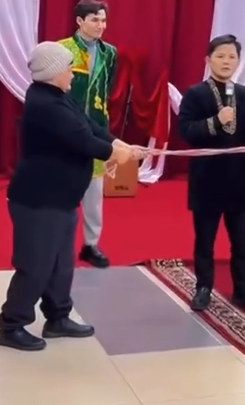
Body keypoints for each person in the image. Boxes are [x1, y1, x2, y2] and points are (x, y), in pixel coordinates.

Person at [0, 42, 146, 351]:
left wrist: (121, 144)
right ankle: (10, 325)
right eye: (69, 67)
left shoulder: (59, 97)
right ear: (54, 72)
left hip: (61, 198)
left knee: (61, 265)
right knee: (36, 265)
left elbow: (91, 127)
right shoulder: (45, 105)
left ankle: (58, 317)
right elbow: (82, 140)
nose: (73, 72)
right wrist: (116, 154)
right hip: (39, 201)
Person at [178, 34, 245, 312]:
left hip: (239, 180)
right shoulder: (195, 94)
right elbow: (186, 131)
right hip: (207, 180)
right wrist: (216, 121)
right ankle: (203, 288)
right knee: (205, 240)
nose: (226, 61)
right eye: (220, 56)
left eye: (232, 57)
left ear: (238, 62)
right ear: (208, 60)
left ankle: (243, 288)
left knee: (242, 242)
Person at [58, 0, 117, 268]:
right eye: (95, 20)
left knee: (94, 192)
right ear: (79, 21)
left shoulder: (110, 53)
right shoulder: (62, 49)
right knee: (64, 187)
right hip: (66, 125)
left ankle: (91, 244)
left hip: (96, 124)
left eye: (103, 20)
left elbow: (107, 87)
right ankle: (59, 244)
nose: (101, 25)